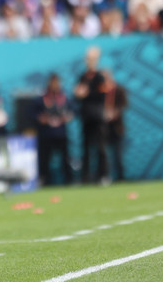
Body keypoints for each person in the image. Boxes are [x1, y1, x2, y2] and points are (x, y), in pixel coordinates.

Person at [74, 47, 107, 184]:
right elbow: (78, 95)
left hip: (97, 116)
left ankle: (103, 176)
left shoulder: (100, 77)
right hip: (86, 116)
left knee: (100, 147)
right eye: (88, 58)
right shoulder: (82, 76)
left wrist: (87, 93)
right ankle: (86, 177)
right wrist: (78, 94)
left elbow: (102, 95)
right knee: (86, 147)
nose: (89, 61)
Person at [35, 73, 73, 186]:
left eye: (57, 82)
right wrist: (41, 118)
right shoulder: (42, 98)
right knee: (45, 159)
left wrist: (68, 117)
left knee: (65, 159)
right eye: (53, 82)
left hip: (61, 134)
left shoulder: (64, 97)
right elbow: (33, 113)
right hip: (47, 134)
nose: (55, 85)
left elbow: (72, 110)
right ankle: (44, 180)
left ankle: (69, 180)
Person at [103, 69, 128, 182]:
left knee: (118, 154)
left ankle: (121, 177)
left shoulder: (119, 90)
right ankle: (105, 176)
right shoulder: (100, 92)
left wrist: (115, 113)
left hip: (117, 126)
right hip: (103, 127)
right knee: (104, 154)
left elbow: (124, 105)